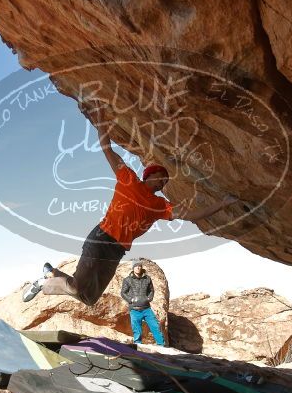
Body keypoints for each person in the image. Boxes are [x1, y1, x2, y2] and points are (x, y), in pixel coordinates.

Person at [23, 105, 237, 305]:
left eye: (166, 181)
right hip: (102, 238)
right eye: (161, 177)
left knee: (89, 298)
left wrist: (223, 203)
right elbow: (108, 150)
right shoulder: (128, 179)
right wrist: (101, 122)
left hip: (117, 251)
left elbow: (190, 215)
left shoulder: (160, 205)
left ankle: (51, 272)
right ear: (149, 175)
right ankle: (44, 282)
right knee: (77, 287)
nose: (164, 182)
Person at [121, 260, 165, 346]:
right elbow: (123, 293)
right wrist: (131, 300)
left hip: (146, 309)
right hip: (134, 309)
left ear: (141, 268)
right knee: (137, 329)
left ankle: (161, 345)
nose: (138, 268)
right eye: (136, 266)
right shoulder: (127, 280)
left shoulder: (147, 278)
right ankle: (138, 345)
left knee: (155, 326)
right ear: (133, 268)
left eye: (139, 266)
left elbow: (151, 290)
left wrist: (149, 298)